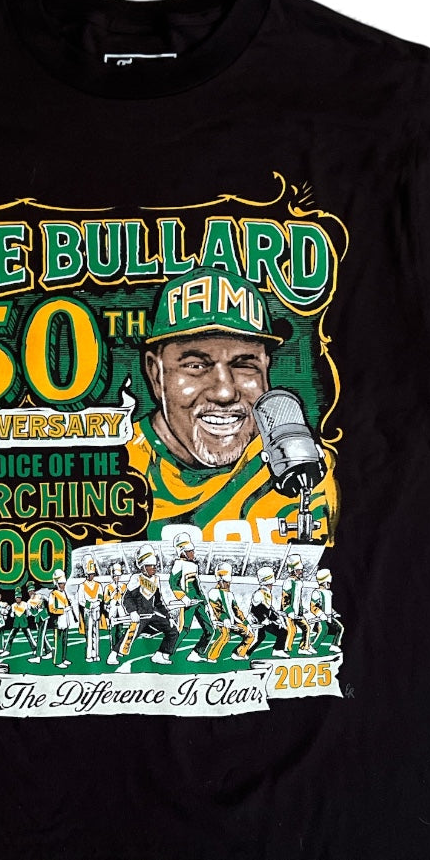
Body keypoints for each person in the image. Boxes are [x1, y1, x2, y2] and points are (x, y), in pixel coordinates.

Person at [124, 268, 339, 543]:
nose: (225, 392)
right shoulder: (114, 467)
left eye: (244, 365)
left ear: (266, 368)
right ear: (156, 374)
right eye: (195, 365)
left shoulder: (304, 470)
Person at [117, 545, 180, 666]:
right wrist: (132, 611)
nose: (154, 568)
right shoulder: (136, 579)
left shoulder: (156, 580)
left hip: (151, 615)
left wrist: (168, 617)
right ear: (143, 567)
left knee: (173, 630)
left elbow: (158, 602)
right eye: (150, 565)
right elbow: (127, 598)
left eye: (155, 565)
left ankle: (161, 654)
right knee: (130, 636)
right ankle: (114, 653)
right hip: (139, 616)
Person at [169, 532, 215, 661]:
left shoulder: (193, 565)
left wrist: (205, 602)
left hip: (198, 601)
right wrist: (183, 598)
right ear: (182, 552)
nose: (193, 553)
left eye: (192, 551)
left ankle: (196, 653)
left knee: (210, 630)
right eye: (190, 551)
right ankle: (166, 653)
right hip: (188, 602)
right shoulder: (178, 564)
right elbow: (173, 583)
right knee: (184, 629)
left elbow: (197, 585)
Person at [205, 562, 255, 660]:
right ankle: (211, 657)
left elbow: (237, 611)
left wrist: (246, 623)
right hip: (219, 621)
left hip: (232, 622)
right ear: (220, 581)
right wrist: (224, 619)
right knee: (225, 635)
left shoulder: (230, 594)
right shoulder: (213, 593)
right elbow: (216, 609)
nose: (228, 584)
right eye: (225, 582)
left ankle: (238, 653)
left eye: (228, 582)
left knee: (250, 635)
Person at [247, 566, 285, 657]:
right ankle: (244, 653)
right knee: (259, 638)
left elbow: (268, 609)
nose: (271, 586)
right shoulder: (259, 593)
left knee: (281, 631)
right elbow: (257, 609)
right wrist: (263, 619)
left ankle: (278, 650)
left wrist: (276, 617)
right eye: (270, 584)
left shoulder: (266, 593)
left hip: (263, 620)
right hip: (256, 620)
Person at [279, 552, 314, 655]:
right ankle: (286, 649)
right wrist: (289, 611)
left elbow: (298, 599)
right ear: (293, 570)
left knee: (306, 627)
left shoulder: (299, 582)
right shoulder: (288, 582)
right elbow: (285, 598)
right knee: (292, 630)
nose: (301, 572)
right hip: (288, 613)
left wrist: (301, 610)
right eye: (299, 570)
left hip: (297, 613)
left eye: (301, 570)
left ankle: (303, 648)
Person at [77, 557, 105, 663]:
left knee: (96, 633)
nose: (91, 576)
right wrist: (90, 605)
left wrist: (96, 603)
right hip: (88, 611)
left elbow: (100, 597)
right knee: (88, 633)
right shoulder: (82, 586)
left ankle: (96, 654)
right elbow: (81, 600)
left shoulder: (98, 585)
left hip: (96, 610)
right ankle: (89, 655)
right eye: (89, 574)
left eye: (92, 574)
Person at [103, 562, 129, 666]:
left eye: (118, 576)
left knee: (121, 631)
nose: (117, 578)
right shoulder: (108, 587)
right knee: (113, 631)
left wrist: (121, 593)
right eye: (115, 576)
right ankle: (113, 649)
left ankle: (119, 649)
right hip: (113, 609)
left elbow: (127, 598)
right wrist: (112, 594)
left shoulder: (124, 586)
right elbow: (105, 600)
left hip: (121, 609)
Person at [309, 568, 341, 653]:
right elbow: (313, 606)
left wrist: (334, 613)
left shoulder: (328, 593)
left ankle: (334, 645)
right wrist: (320, 614)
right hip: (321, 618)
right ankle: (313, 646)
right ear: (323, 582)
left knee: (339, 628)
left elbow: (328, 606)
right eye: (328, 583)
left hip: (329, 617)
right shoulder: (317, 593)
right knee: (324, 630)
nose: (329, 585)